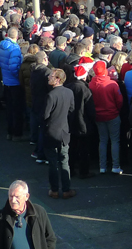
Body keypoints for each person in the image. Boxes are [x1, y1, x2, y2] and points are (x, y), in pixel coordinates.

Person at [0, 180, 57, 249]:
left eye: (17, 197)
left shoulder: (39, 212)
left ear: (26, 196)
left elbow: (50, 238)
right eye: (11, 196)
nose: (13, 200)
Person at [43, 68, 76, 200]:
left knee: (52, 162)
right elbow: (72, 109)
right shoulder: (69, 92)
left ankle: (55, 189)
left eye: (51, 76)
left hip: (51, 132)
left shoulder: (51, 95)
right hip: (64, 132)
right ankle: (66, 189)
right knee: (64, 161)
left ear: (57, 79)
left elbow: (45, 115)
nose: (48, 78)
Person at [89, 60, 123, 174]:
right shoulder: (112, 84)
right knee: (115, 141)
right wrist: (117, 110)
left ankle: (102, 166)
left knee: (102, 140)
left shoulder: (91, 84)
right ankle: (115, 166)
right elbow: (119, 101)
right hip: (112, 115)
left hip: (99, 116)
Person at [0, 28, 25, 140]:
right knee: (17, 110)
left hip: (6, 80)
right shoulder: (15, 48)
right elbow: (14, 67)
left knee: (9, 109)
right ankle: (17, 134)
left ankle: (9, 132)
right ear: (17, 37)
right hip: (15, 83)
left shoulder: (2, 45)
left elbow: (1, 63)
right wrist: (19, 77)